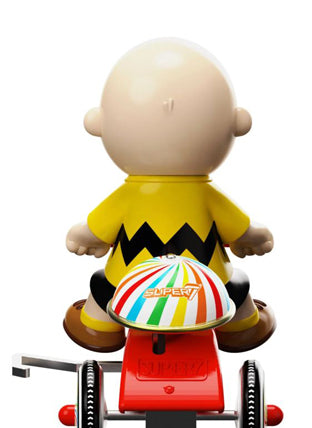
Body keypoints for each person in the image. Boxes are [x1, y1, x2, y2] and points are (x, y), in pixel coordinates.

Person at [64, 38, 275, 353]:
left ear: (99, 123)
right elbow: (246, 233)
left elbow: (91, 233)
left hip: (130, 289)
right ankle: (241, 329)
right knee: (236, 285)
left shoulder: (128, 196)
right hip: (206, 291)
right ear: (236, 123)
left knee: (102, 283)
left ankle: (98, 328)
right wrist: (256, 238)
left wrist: (82, 237)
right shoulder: (208, 196)